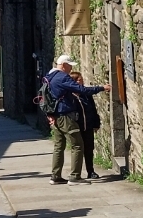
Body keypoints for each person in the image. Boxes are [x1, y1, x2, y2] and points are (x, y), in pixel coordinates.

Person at [41, 53, 106, 184]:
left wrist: (50, 114)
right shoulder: (62, 77)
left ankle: (55, 176)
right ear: (64, 65)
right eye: (70, 66)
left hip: (56, 115)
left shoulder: (50, 76)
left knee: (59, 146)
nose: (71, 69)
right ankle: (75, 177)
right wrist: (101, 88)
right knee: (78, 144)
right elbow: (81, 89)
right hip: (66, 116)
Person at [71, 70, 102, 180]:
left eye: (82, 80)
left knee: (89, 149)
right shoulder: (70, 97)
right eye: (79, 80)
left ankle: (90, 171)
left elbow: (93, 109)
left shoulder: (86, 95)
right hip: (76, 127)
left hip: (88, 126)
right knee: (78, 150)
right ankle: (76, 173)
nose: (82, 82)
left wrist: (96, 123)